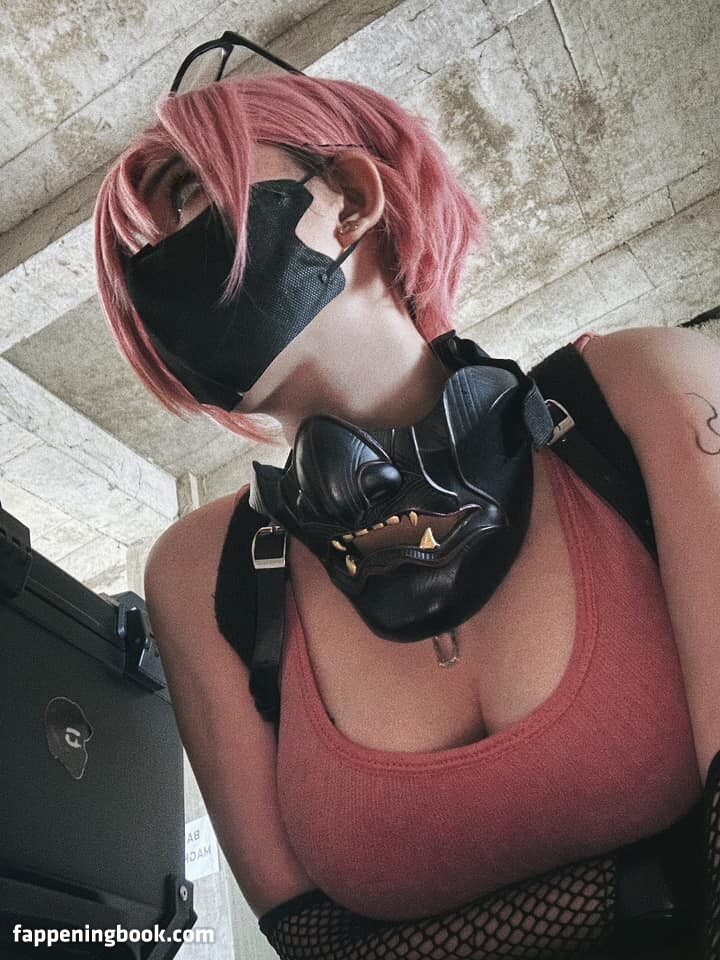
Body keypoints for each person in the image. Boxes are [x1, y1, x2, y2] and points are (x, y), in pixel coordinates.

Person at [93, 47, 720, 959]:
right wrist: (649, 891)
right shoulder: (202, 577)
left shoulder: (640, 393)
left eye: (187, 194)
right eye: (139, 245)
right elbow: (317, 944)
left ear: (349, 198)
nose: (155, 264)